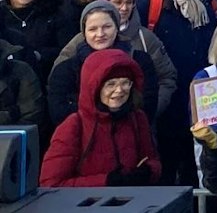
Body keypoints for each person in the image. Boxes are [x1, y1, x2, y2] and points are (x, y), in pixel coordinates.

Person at [39, 49, 161, 188]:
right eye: (111, 84)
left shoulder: (137, 118)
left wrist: (147, 172)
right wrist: (106, 182)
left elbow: (152, 160)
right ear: (95, 87)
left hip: (133, 199)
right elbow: (51, 183)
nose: (119, 90)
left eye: (125, 83)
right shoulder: (74, 126)